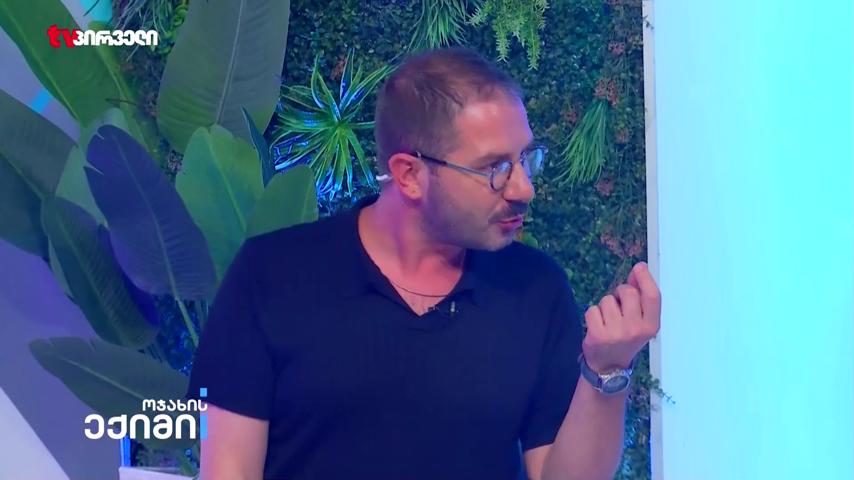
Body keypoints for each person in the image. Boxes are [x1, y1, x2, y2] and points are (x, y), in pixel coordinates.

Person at [187, 47, 661, 480]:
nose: (524, 188)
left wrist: (606, 369)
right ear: (409, 175)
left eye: (526, 160)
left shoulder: (535, 289)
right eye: (495, 169)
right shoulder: (271, 277)